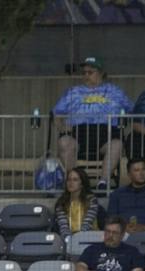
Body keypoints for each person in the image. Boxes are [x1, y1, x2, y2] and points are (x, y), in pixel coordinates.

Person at [53, 56, 132, 190]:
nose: (86, 76)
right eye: (84, 73)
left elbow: (132, 109)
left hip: (107, 133)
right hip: (78, 133)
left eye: (90, 72)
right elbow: (56, 113)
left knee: (117, 144)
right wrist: (61, 127)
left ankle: (103, 182)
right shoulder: (73, 92)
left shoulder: (114, 91)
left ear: (101, 73)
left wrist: (123, 120)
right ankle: (76, 181)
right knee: (64, 142)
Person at [75, 216, 145, 271]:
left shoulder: (132, 251)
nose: (110, 235)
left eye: (114, 233)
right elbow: (80, 267)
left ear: (122, 235)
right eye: (108, 231)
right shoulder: (92, 249)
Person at [106, 159, 145, 233]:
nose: (141, 173)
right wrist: (124, 227)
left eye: (143, 169)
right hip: (122, 233)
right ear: (129, 175)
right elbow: (111, 218)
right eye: (136, 170)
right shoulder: (117, 194)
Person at [54, 167, 103, 238]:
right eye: (69, 180)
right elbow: (63, 227)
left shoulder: (91, 200)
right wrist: (69, 240)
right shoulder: (61, 202)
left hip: (89, 238)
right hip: (68, 240)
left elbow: (87, 224)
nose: (71, 183)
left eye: (75, 180)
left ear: (82, 184)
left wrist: (78, 239)